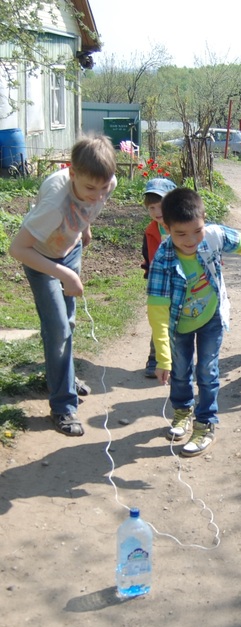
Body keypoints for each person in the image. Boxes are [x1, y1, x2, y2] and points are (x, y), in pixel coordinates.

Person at [147, 188, 241, 457]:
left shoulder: (214, 236)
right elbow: (158, 312)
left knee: (207, 371)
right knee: (180, 372)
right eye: (180, 234)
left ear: (204, 220)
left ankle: (205, 424)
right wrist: (162, 357)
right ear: (166, 228)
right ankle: (182, 411)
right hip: (178, 325)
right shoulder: (163, 258)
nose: (191, 240)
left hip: (211, 318)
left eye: (197, 230)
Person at [9, 134, 117, 437]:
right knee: (57, 328)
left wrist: (84, 229)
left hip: (69, 251)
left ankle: (63, 377)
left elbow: (86, 208)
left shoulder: (105, 182)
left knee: (66, 323)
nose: (98, 196)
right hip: (39, 258)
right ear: (72, 174)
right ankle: (63, 407)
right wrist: (66, 276)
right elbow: (18, 249)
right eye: (89, 188)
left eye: (103, 187)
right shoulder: (54, 203)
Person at [140, 177, 177, 378]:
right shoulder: (151, 231)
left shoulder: (183, 224)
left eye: (160, 206)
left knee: (181, 322)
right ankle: (154, 358)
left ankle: (178, 359)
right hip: (161, 284)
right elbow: (148, 254)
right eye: (151, 208)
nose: (156, 212)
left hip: (183, 282)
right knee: (160, 321)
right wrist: (149, 272)